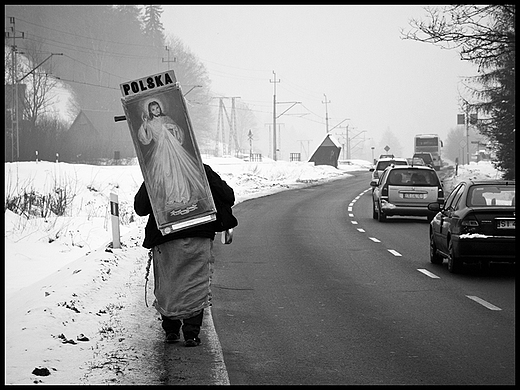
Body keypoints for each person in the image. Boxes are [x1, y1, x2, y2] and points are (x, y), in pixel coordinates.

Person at [134, 164, 236, 347]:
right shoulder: (199, 167)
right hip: (199, 232)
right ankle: (191, 332)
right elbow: (228, 195)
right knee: (195, 282)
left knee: (169, 282)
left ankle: (171, 329)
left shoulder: (157, 170)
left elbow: (140, 208)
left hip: (166, 234)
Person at [137, 100, 206, 210]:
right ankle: (172, 197)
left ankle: (183, 195)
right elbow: (145, 139)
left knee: (178, 171)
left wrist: (172, 128)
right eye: (153, 109)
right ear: (150, 111)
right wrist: (145, 124)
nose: (156, 111)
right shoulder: (149, 123)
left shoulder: (166, 119)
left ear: (160, 107)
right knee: (167, 174)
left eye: (157, 108)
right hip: (161, 151)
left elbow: (179, 132)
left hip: (173, 149)